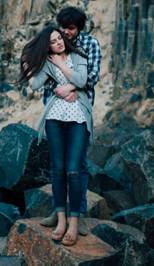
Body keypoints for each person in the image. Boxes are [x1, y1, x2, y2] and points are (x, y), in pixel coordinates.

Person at [20, 26, 93, 247]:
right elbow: (35, 85)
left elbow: (81, 81)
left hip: (78, 117)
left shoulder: (78, 56)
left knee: (73, 169)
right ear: (47, 46)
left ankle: (74, 221)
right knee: (58, 169)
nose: (58, 42)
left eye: (59, 38)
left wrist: (61, 67)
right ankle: (61, 220)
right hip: (54, 117)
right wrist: (26, 64)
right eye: (52, 41)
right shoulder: (47, 62)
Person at [39, 6, 102, 230]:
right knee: (57, 165)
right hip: (55, 110)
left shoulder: (90, 44)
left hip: (79, 111)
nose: (66, 32)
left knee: (77, 165)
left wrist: (72, 87)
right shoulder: (53, 42)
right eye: (63, 27)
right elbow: (45, 76)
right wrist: (63, 90)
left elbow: (92, 76)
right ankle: (58, 212)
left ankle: (79, 213)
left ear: (80, 28)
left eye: (71, 28)